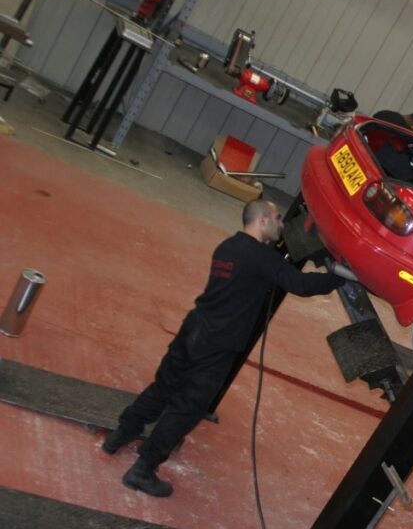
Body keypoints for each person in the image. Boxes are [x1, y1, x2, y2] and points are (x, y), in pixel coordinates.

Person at [102, 200, 346, 497]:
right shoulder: (261, 256)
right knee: (188, 407)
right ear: (263, 220)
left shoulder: (227, 247)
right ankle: (143, 469)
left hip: (193, 329)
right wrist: (340, 275)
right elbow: (301, 285)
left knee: (163, 388)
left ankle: (120, 434)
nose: (283, 225)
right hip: (217, 342)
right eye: (278, 219)